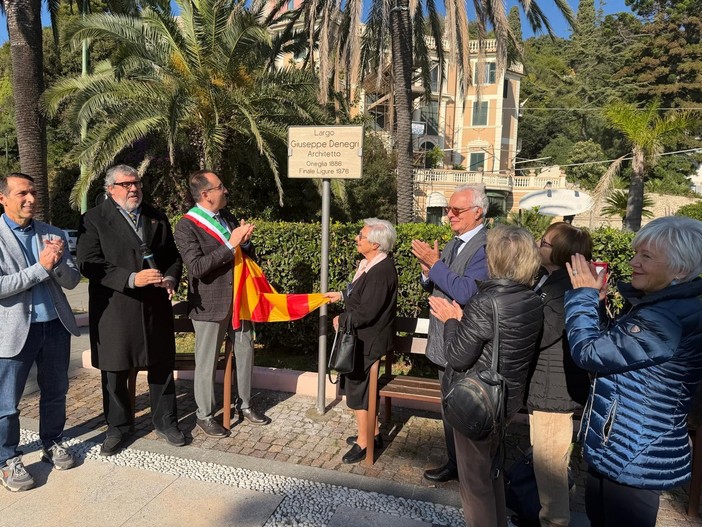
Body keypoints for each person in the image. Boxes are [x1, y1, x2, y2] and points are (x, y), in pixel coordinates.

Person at [564, 216, 702, 527]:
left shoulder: (666, 318)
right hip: (621, 446)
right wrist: (598, 305)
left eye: (646, 256)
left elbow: (589, 353)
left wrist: (582, 295)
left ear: (680, 270)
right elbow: (616, 351)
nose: (633, 263)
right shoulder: (659, 306)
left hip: (634, 453)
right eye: (636, 253)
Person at [429, 225, 543, 527]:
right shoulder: (531, 298)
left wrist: (452, 320)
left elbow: (457, 356)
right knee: (493, 471)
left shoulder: (486, 302)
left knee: (474, 484)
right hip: (507, 398)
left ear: (497, 259)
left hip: (478, 402)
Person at [77, 165, 184, 455]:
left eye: (136, 182)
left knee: (161, 366)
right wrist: (131, 279)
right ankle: (118, 428)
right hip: (116, 308)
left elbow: (172, 257)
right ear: (110, 189)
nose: (134, 188)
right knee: (115, 371)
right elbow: (88, 263)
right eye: (126, 184)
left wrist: (171, 278)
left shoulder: (155, 215)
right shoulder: (93, 219)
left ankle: (166, 422)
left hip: (155, 308)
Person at [0, 173, 81, 491]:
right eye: (22, 193)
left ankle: (52, 442)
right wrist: (41, 267)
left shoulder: (52, 233)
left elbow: (72, 280)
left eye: (33, 192)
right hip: (13, 331)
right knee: (7, 403)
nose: (31, 199)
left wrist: (58, 263)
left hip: (56, 327)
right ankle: (7, 459)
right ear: (3, 198)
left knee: (56, 391)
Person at [174, 170, 267, 437]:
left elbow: (241, 254)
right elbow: (197, 267)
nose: (225, 191)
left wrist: (244, 244)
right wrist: (231, 243)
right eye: (220, 187)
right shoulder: (186, 226)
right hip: (210, 304)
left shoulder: (226, 216)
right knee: (207, 362)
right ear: (206, 194)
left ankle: (245, 404)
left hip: (240, 299)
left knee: (246, 353)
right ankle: (204, 415)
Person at [411, 185, 489, 482]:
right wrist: (427, 271)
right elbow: (439, 282)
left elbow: (466, 291)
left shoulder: (484, 246)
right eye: (448, 209)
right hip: (445, 339)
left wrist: (435, 265)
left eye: (457, 210)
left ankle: (469, 469)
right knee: (448, 405)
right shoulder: (454, 242)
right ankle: (455, 462)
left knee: (462, 408)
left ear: (477, 212)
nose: (450, 215)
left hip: (463, 343)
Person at [524, 222, 593, 527]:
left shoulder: (565, 288)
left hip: (554, 392)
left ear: (562, 252)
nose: (538, 245)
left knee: (550, 469)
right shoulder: (547, 278)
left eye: (545, 242)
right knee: (550, 464)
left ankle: (554, 521)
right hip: (544, 386)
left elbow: (541, 333)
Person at [324, 218, 398, 464]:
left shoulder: (380, 271)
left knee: (359, 391)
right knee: (360, 388)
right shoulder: (371, 265)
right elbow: (361, 294)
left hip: (368, 342)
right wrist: (342, 295)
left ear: (375, 244)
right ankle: (372, 433)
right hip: (363, 339)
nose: (357, 239)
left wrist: (343, 319)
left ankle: (365, 442)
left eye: (361, 236)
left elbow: (368, 311)